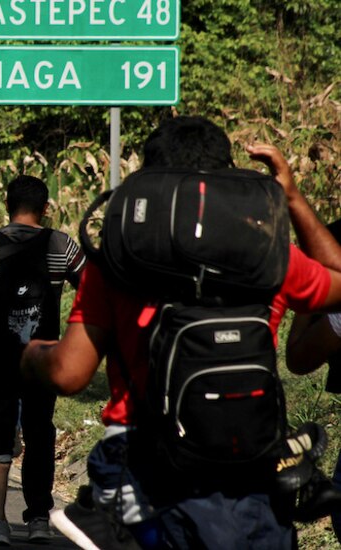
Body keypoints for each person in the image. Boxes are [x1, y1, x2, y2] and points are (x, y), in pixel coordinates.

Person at [21, 116, 341, 549]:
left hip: (143, 466)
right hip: (247, 461)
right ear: (228, 177)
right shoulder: (266, 255)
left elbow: (68, 374)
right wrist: (292, 198)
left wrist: (32, 354)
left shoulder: (119, 256)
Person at [0, 176, 85, 545]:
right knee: (40, 433)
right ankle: (38, 518)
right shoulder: (61, 245)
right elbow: (89, 286)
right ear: (45, 208)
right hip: (43, 359)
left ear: (6, 205)